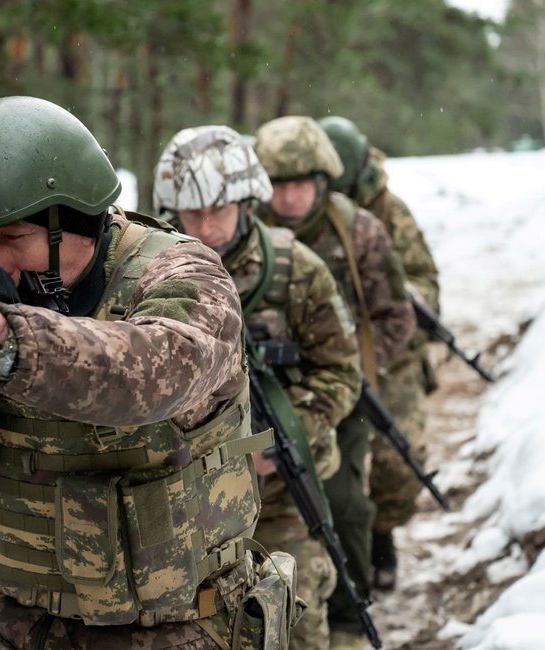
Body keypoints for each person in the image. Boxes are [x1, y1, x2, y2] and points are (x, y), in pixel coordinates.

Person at [0, 96, 299, 650]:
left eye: (15, 239)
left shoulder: (183, 274)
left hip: (180, 627)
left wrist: (0, 340)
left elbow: (152, 378)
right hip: (15, 623)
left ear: (75, 219)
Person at [153, 125, 363, 650]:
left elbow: (340, 372)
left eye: (217, 210)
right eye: (189, 212)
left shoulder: (296, 271)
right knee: (199, 623)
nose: (204, 225)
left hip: (282, 489)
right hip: (182, 495)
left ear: (246, 202)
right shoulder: (147, 272)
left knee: (294, 613)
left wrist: (274, 441)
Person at [253, 116, 416, 650]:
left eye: (301, 183)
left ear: (323, 181)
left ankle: (348, 615)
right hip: (256, 398)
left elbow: (396, 316)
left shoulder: (359, 230)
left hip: (338, 395)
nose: (290, 196)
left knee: (343, 507)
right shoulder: (245, 233)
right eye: (278, 183)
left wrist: (349, 369)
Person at [319, 115, 441, 591]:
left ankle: (382, 532)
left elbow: (426, 281)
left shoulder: (390, 212)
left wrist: (397, 295)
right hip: (330, 350)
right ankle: (345, 548)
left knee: (396, 463)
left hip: (391, 352)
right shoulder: (308, 211)